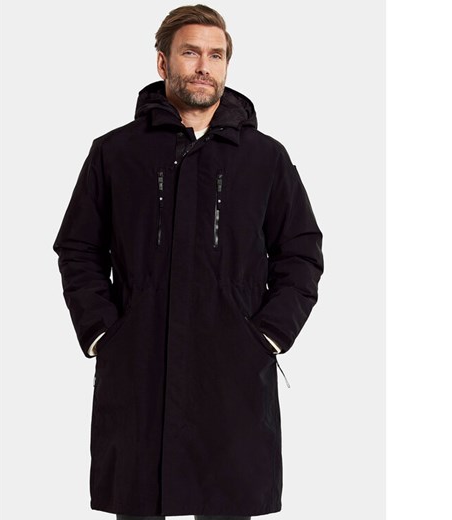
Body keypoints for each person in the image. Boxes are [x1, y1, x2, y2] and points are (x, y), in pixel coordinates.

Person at [52, 4, 324, 519]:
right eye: (191, 53)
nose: (204, 66)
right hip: (140, 368)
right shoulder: (115, 153)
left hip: (232, 375)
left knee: (228, 502)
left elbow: (301, 251)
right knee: (140, 501)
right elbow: (79, 247)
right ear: (163, 62)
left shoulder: (265, 157)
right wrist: (103, 331)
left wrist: (268, 334)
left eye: (216, 55)